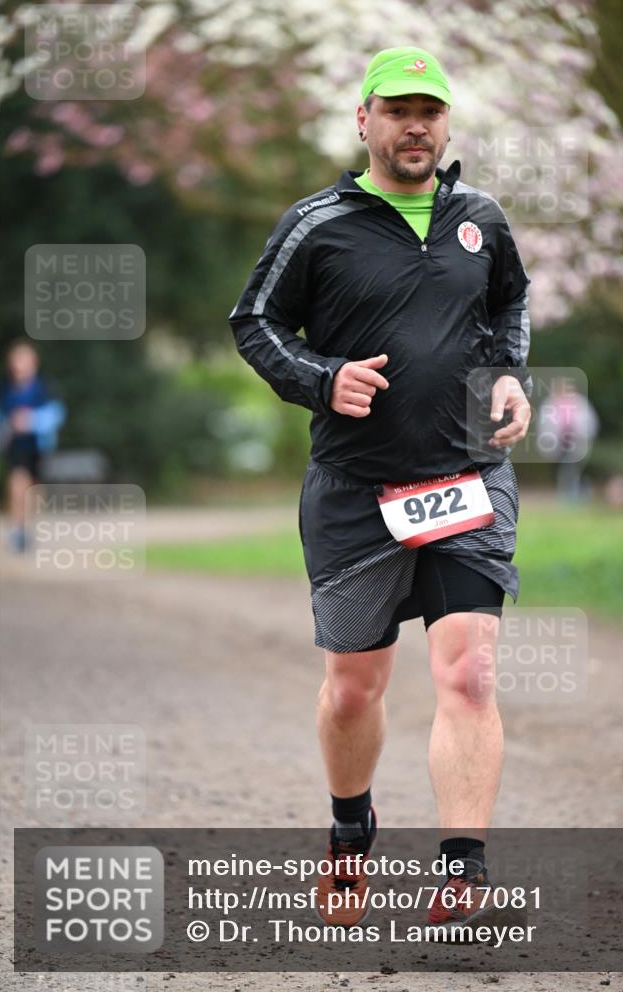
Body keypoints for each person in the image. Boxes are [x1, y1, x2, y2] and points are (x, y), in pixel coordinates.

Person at [229, 46, 532, 929]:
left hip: (465, 478)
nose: (414, 126)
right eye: (396, 110)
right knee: (355, 688)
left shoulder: (480, 217)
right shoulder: (315, 222)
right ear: (363, 120)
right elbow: (253, 322)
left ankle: (462, 868)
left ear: (445, 123)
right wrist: (322, 380)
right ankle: (349, 829)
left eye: (428, 111)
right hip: (355, 491)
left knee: (469, 672)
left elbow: (509, 302)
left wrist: (508, 375)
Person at [0, 341, 65, 552]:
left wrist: (30, 421)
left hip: (39, 446)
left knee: (34, 490)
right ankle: (17, 530)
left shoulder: (44, 386)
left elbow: (57, 414)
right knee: (18, 483)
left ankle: (27, 528)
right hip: (16, 446)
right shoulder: (5, 388)